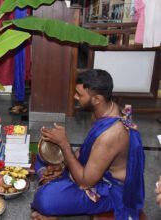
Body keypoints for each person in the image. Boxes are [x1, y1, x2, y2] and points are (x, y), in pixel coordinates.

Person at [31, 69, 145, 220]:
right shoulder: (106, 110)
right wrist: (63, 165)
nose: (75, 96)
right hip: (96, 168)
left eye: (80, 94)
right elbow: (88, 149)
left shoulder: (111, 135)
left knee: (44, 198)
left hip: (109, 190)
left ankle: (53, 189)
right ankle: (54, 180)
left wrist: (64, 145)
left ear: (96, 99)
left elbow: (85, 182)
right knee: (44, 153)